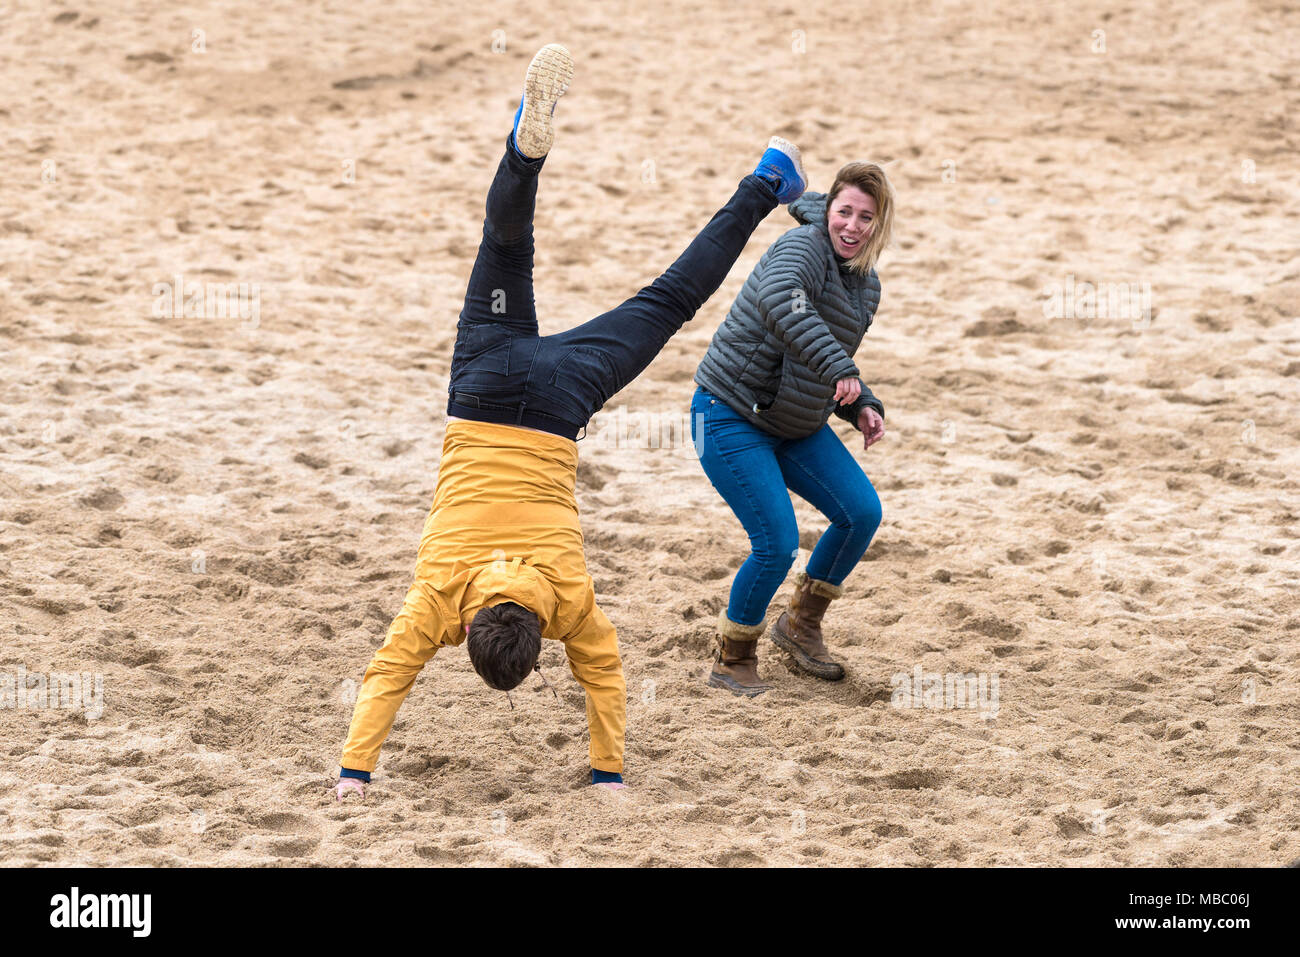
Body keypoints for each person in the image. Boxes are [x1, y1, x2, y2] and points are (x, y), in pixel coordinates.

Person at [334, 43, 809, 799]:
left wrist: (609, 772)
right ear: (470, 624)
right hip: (483, 385)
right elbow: (387, 672)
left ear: (531, 634)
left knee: (669, 300)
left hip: (561, 399)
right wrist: (353, 771)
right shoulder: (438, 594)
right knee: (504, 247)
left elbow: (607, 676)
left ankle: (768, 179)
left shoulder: (570, 598)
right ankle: (524, 151)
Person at [690, 159, 895, 696]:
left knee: (861, 512)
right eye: (844, 211)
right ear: (828, 210)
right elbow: (785, 303)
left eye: (865, 217)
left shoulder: (866, 286)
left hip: (793, 422)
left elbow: (827, 364)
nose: (851, 226)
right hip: (730, 412)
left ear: (880, 225)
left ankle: (799, 626)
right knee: (777, 543)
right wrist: (841, 371)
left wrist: (860, 405)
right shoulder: (801, 246)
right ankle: (732, 657)